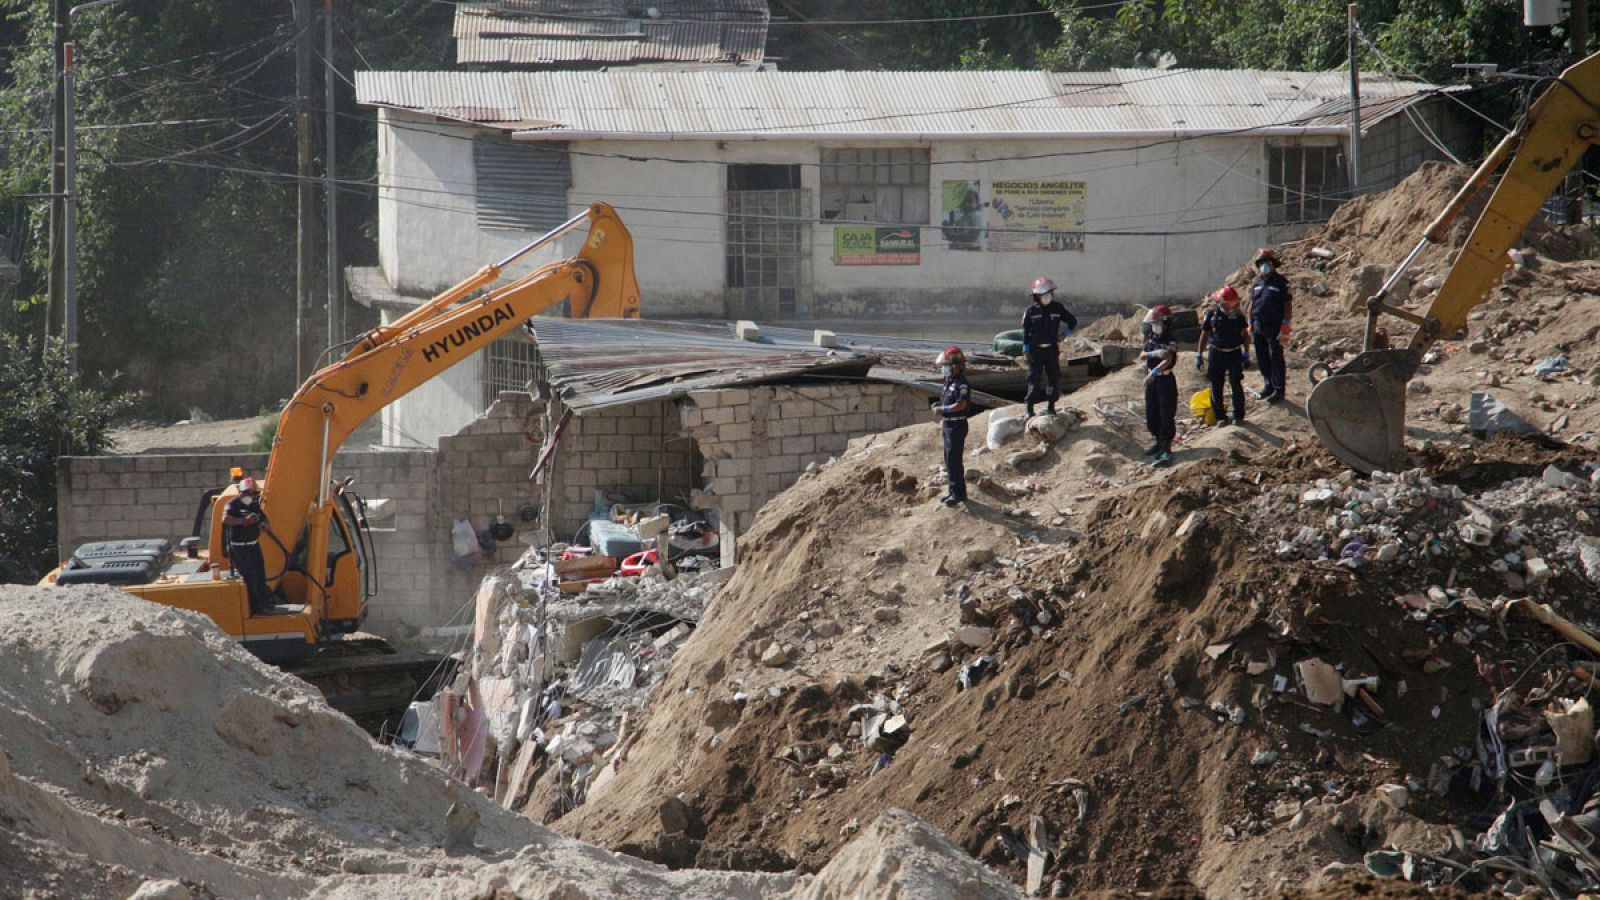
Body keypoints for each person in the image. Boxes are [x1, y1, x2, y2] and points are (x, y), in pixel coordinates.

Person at [1020, 276, 1078, 420]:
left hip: (1051, 349)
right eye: (1044, 294)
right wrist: (1026, 350)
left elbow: (1072, 321)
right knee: (1034, 379)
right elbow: (1026, 332)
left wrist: (1064, 334)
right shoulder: (1030, 311)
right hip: (1035, 351)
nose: (1047, 296)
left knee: (1053, 378)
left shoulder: (1057, 308)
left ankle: (1051, 407)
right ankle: (1029, 409)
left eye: (1049, 293)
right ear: (1037, 296)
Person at [1197, 284, 1251, 426]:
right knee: (1216, 385)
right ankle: (1220, 416)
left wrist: (1246, 352)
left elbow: (1245, 335)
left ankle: (1238, 415)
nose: (1232, 305)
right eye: (1229, 302)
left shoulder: (1238, 316)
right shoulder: (1212, 315)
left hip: (1234, 353)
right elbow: (1204, 334)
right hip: (1216, 354)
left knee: (1235, 383)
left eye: (1234, 302)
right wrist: (1199, 354)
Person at [223, 476, 274, 615]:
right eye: (247, 493)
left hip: (253, 546)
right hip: (239, 548)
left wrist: (265, 525)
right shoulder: (232, 504)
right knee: (250, 578)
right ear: (240, 492)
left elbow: (263, 518)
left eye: (253, 493)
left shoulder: (254, 505)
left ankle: (263, 605)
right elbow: (226, 519)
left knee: (260, 576)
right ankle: (254, 608)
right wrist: (242, 521)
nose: (250, 496)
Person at [1248, 247, 1293, 404]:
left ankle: (1279, 390)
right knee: (1262, 357)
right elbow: (1252, 304)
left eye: (1268, 262)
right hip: (1258, 325)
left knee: (1276, 357)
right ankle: (1268, 385)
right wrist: (1250, 324)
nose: (1265, 265)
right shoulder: (1256, 282)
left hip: (1274, 327)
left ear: (1273, 264)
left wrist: (1285, 325)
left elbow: (1287, 305)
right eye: (1262, 263)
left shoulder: (1281, 282)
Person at [932, 347, 972, 507]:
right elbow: (947, 400)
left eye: (946, 365)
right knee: (948, 459)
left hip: (957, 424)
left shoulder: (962, 384)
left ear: (955, 366)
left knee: (954, 459)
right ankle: (952, 490)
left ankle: (959, 493)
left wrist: (943, 409)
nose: (943, 368)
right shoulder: (949, 382)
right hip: (948, 424)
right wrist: (938, 404)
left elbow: (961, 405)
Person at [1141, 306, 1179, 467]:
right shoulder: (1152, 338)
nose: (1153, 326)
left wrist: (1154, 372)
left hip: (1165, 380)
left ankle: (1166, 447)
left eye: (1156, 323)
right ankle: (1157, 441)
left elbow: (1168, 359)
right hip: (1152, 381)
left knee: (1166, 414)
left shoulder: (1171, 339)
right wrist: (1155, 353)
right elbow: (1142, 354)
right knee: (1152, 413)